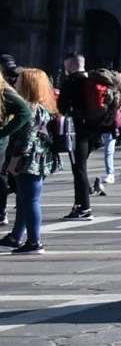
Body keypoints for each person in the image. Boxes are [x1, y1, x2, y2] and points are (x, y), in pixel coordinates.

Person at [2, 64, 55, 254]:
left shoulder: (29, 109)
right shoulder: (42, 107)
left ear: (29, 85)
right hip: (39, 158)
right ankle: (17, 236)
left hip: (28, 158)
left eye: (20, 80)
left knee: (30, 200)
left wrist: (16, 159)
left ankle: (34, 241)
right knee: (26, 199)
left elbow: (27, 138)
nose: (15, 82)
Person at [58, 53, 109, 217]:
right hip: (94, 131)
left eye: (66, 66)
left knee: (79, 169)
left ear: (70, 66)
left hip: (78, 131)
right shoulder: (92, 80)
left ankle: (83, 207)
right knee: (80, 168)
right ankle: (81, 202)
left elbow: (62, 107)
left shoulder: (71, 82)